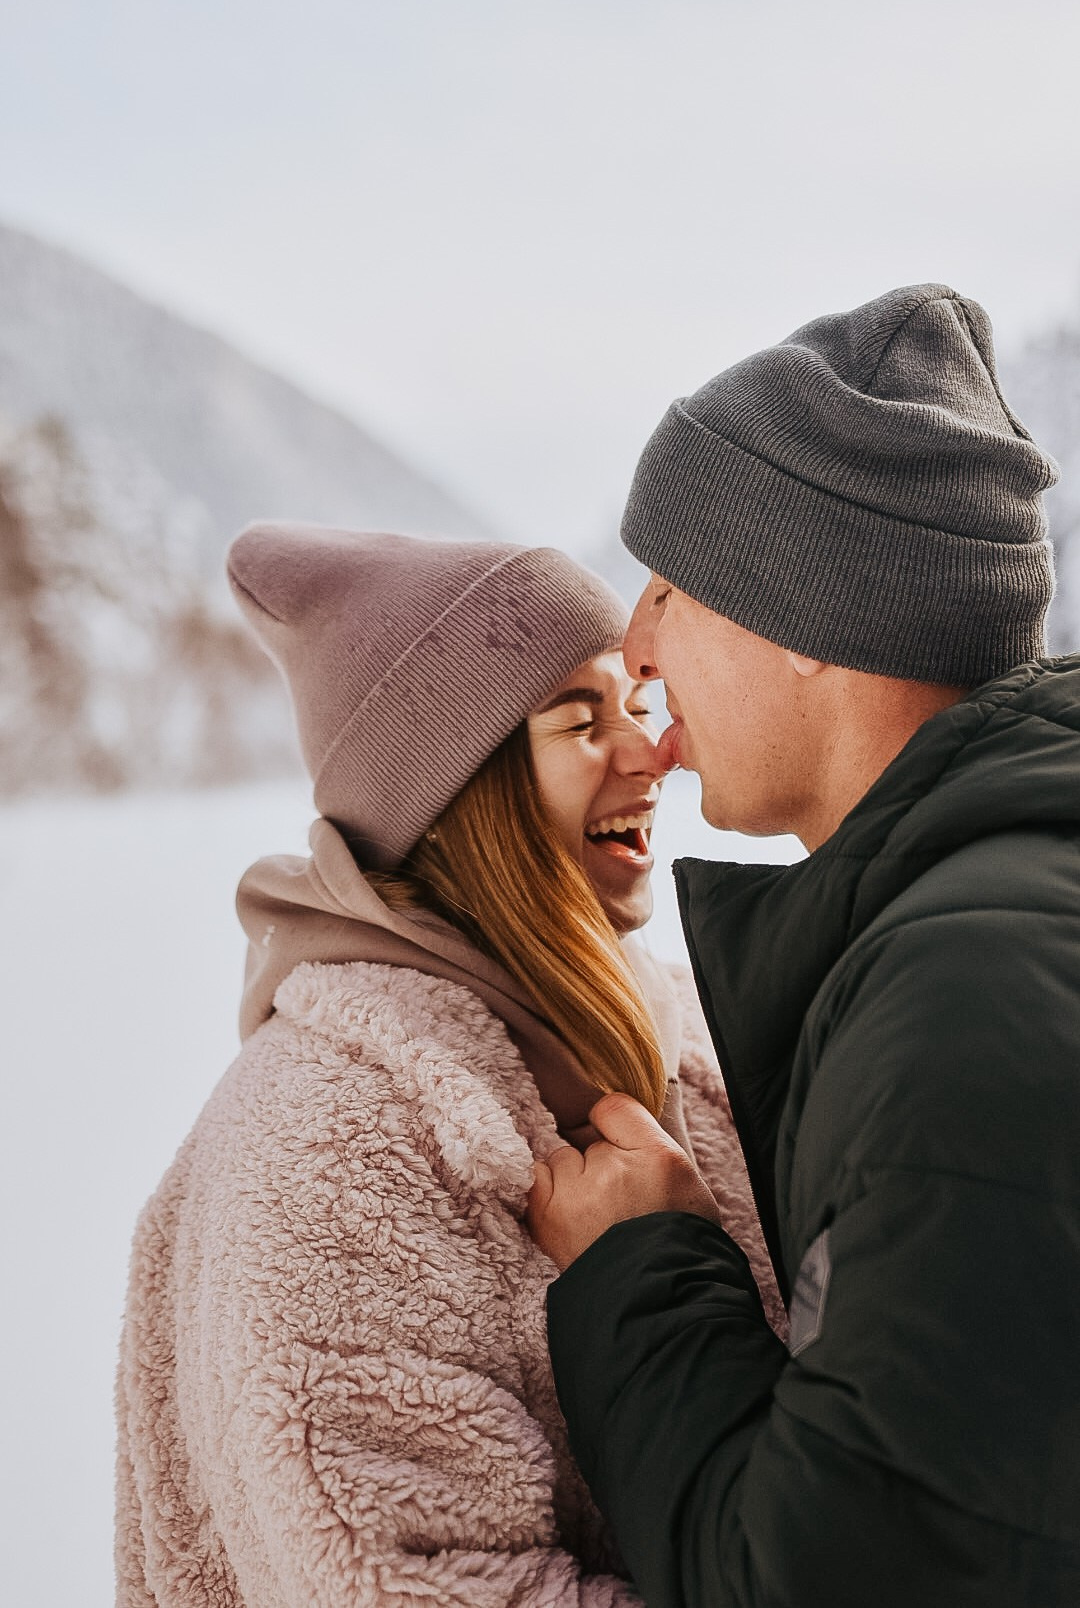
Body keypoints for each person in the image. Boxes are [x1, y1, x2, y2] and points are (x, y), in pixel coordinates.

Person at [527, 283, 1080, 1607]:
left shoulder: (961, 1012)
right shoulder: (1002, 918)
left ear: (815, 623)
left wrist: (644, 1275)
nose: (639, 646)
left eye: (671, 588)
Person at [114, 522, 784, 1607]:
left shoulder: (682, 1033)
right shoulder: (326, 1140)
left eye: (638, 707)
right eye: (580, 720)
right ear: (456, 790)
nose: (651, 755)